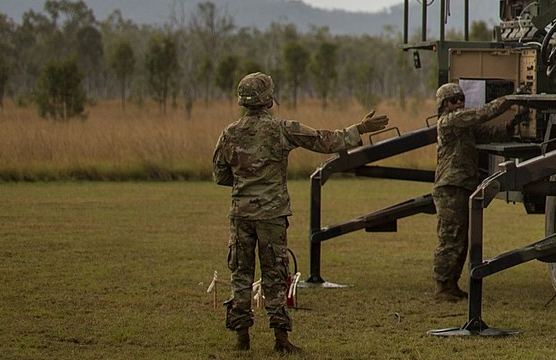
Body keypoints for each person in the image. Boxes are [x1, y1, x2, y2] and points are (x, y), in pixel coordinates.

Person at [212, 71, 389, 352]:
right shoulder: (282, 128)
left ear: (242, 101)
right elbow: (324, 141)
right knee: (275, 274)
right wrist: (361, 129)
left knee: (240, 274)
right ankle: (281, 340)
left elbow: (220, 176)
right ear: (269, 99)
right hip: (272, 215)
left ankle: (241, 338)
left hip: (241, 213)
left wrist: (247, 179)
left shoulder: (229, 133)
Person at [431, 81, 519, 301]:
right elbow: (481, 114)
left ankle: (451, 284)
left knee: (460, 240)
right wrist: (510, 100)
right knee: (450, 238)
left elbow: (489, 132)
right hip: (450, 188)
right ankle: (442, 286)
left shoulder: (463, 126)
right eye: (454, 100)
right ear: (444, 105)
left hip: (462, 186)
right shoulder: (450, 121)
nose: (459, 103)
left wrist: (512, 125)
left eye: (461, 99)